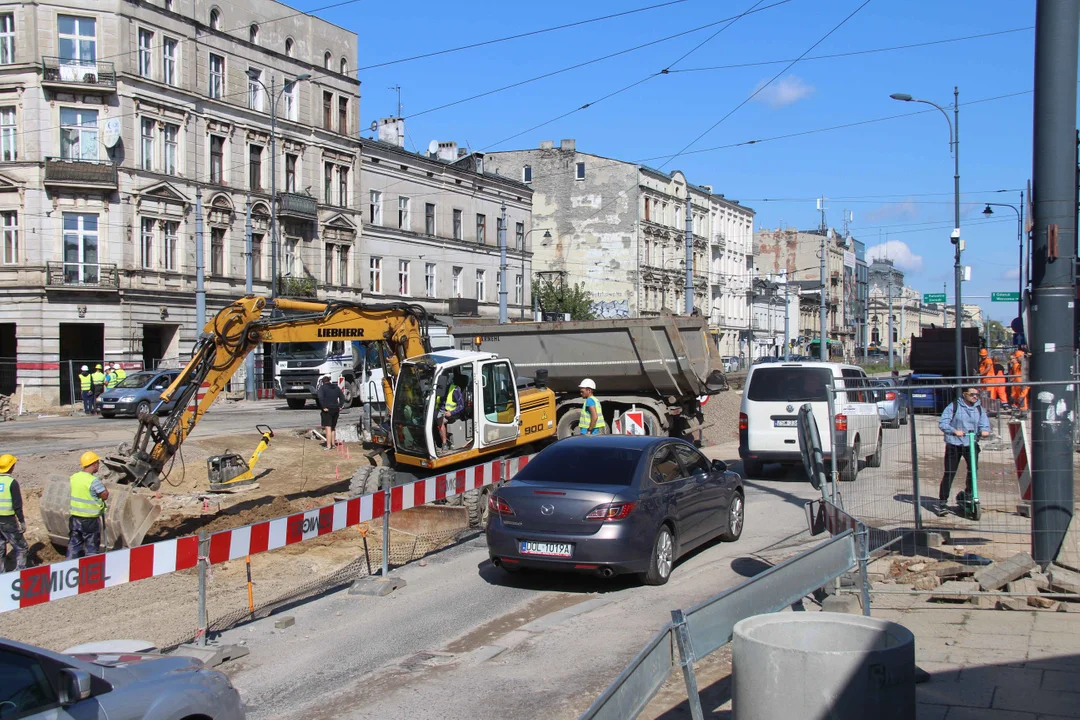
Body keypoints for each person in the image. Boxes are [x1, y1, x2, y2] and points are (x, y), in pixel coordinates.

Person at [936, 387, 991, 517]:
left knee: (973, 470)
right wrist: (954, 431)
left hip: (971, 443)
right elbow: (943, 423)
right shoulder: (954, 406)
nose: (975, 397)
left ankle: (969, 495)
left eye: (977, 395)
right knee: (949, 473)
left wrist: (985, 431)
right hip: (954, 443)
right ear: (965, 395)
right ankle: (942, 502)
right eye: (972, 394)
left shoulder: (979, 408)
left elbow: (985, 424)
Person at [68, 451, 109, 558]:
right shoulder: (93, 481)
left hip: (75, 518)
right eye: (98, 463)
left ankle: (70, 565)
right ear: (94, 464)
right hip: (90, 520)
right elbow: (104, 496)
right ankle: (92, 570)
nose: (98, 466)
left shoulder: (74, 477)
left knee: (74, 545)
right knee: (91, 547)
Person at [0, 454, 28, 572]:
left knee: (0, 547)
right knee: (22, 548)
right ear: (11, 466)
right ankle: (19, 573)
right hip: (8, 520)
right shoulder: (12, 483)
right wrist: (21, 521)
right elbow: (17, 505)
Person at [436, 373, 466, 450]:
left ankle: (444, 443)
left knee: (440, 420)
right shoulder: (438, 388)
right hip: (441, 411)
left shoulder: (455, 390)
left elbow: (461, 406)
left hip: (453, 413)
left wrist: (451, 413)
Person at [316, 376, 346, 451]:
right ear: (329, 381)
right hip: (336, 409)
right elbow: (342, 397)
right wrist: (340, 406)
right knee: (333, 427)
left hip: (327, 409)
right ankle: (333, 444)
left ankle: (328, 446)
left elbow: (320, 398)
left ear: (323, 382)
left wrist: (323, 407)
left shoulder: (322, 388)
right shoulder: (336, 387)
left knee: (328, 427)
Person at [1008, 350, 1029, 416]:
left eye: (1017, 358)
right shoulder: (1020, 364)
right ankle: (1022, 412)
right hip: (1019, 384)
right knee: (1020, 398)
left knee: (1022, 398)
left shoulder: (1024, 364)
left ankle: (1024, 413)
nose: (1016, 359)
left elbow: (1026, 375)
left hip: (1023, 384)